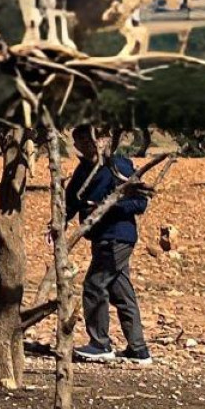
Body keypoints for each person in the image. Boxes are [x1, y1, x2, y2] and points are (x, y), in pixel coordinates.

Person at [64, 123, 152, 365]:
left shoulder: (119, 166)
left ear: (103, 140)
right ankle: (139, 349)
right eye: (79, 141)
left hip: (118, 237)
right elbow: (70, 202)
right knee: (121, 291)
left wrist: (105, 206)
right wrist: (57, 224)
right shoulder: (83, 170)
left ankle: (100, 344)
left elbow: (140, 203)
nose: (84, 146)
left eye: (89, 140)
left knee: (94, 285)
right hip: (100, 237)